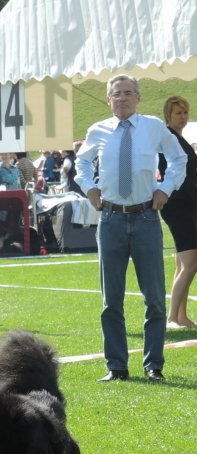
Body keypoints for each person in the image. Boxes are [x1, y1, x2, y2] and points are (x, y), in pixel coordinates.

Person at [76, 74, 187, 383]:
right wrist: (90, 188)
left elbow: (178, 159)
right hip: (110, 218)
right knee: (111, 299)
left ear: (138, 98)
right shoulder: (97, 131)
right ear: (108, 100)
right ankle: (116, 367)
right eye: (116, 94)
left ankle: (154, 366)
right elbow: (81, 164)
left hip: (146, 217)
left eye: (128, 93)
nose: (122, 98)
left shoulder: (153, 127)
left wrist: (165, 189)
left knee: (153, 297)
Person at [158, 96, 197, 329]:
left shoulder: (178, 138)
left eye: (185, 112)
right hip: (178, 205)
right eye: (178, 113)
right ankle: (173, 317)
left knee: (184, 264)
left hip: (185, 204)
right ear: (168, 116)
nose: (182, 117)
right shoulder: (170, 139)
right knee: (191, 263)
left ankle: (181, 316)